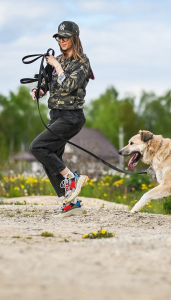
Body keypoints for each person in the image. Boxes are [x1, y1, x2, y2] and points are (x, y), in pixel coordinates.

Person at [30, 21, 94, 218]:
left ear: (74, 38)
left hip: (71, 116)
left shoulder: (82, 62)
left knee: (38, 147)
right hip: (55, 115)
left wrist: (57, 65)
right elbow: (52, 85)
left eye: (65, 37)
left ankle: (72, 178)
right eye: (59, 37)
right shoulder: (57, 60)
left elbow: (69, 85)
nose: (62, 40)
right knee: (51, 160)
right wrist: (40, 90)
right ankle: (72, 203)